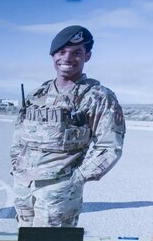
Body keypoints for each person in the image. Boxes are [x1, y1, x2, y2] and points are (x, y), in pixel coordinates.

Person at [10, 25, 125, 227]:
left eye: (77, 52)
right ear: (53, 55)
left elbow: (109, 147)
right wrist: (16, 164)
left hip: (59, 193)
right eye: (61, 52)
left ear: (87, 56)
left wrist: (77, 179)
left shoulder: (97, 97)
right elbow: (19, 137)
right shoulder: (37, 95)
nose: (68, 58)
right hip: (23, 187)